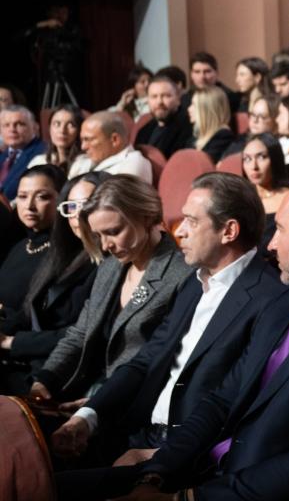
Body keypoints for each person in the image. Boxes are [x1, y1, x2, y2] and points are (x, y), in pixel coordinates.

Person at [86, 178, 289, 500]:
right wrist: (158, 470)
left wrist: (184, 498)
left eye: (280, 229)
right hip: (197, 468)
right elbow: (222, 400)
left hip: (248, 490)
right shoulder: (288, 301)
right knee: (56, 487)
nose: (270, 244)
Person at [51, 172, 288, 469]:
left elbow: (234, 403)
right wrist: (87, 418)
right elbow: (146, 360)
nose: (179, 231)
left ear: (229, 231)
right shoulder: (195, 282)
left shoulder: (271, 299)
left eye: (191, 221)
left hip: (186, 455)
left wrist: (160, 458)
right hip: (138, 429)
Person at [29, 175, 191, 406]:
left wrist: (97, 405)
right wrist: (45, 380)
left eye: (114, 231)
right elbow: (80, 334)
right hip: (84, 388)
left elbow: (160, 361)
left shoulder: (181, 274)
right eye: (98, 236)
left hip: (132, 402)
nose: (106, 246)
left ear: (146, 217)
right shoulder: (110, 267)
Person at [0, 171, 105, 393]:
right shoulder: (64, 253)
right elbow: (32, 311)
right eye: (72, 207)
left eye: (42, 196)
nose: (78, 216)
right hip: (36, 362)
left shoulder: (106, 264)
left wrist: (11, 342)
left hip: (60, 372)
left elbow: (84, 335)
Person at [0, 166, 67, 318]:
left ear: (63, 199)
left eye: (42, 197)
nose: (29, 206)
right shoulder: (19, 246)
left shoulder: (67, 253)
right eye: (22, 196)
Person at [71, 111, 154, 182]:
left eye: (89, 139)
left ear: (115, 139)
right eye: (82, 140)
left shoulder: (133, 165)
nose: (83, 147)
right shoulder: (82, 161)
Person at [240, 133, 289, 245]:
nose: (254, 166)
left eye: (261, 157)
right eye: (247, 159)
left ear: (275, 159)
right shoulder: (240, 200)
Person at [135, 74, 192, 158]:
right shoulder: (144, 131)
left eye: (166, 96)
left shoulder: (189, 129)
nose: (159, 102)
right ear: (148, 100)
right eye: (154, 96)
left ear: (178, 99)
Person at [181, 52, 240, 130]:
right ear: (191, 74)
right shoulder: (185, 99)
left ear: (216, 73)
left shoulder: (230, 98)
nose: (202, 77)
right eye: (197, 72)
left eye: (207, 71)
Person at [1, 105, 46, 201]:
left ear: (35, 127)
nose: (12, 130)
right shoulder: (3, 156)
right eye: (6, 125)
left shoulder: (42, 153)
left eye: (19, 124)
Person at [28, 103, 84, 172]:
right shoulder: (39, 161)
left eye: (70, 125)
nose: (62, 131)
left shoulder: (85, 163)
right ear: (49, 128)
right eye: (57, 124)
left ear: (79, 129)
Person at [189, 87, 237, 164]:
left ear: (207, 110)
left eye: (194, 105)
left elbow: (202, 165)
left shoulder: (223, 137)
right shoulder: (196, 136)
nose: (189, 109)